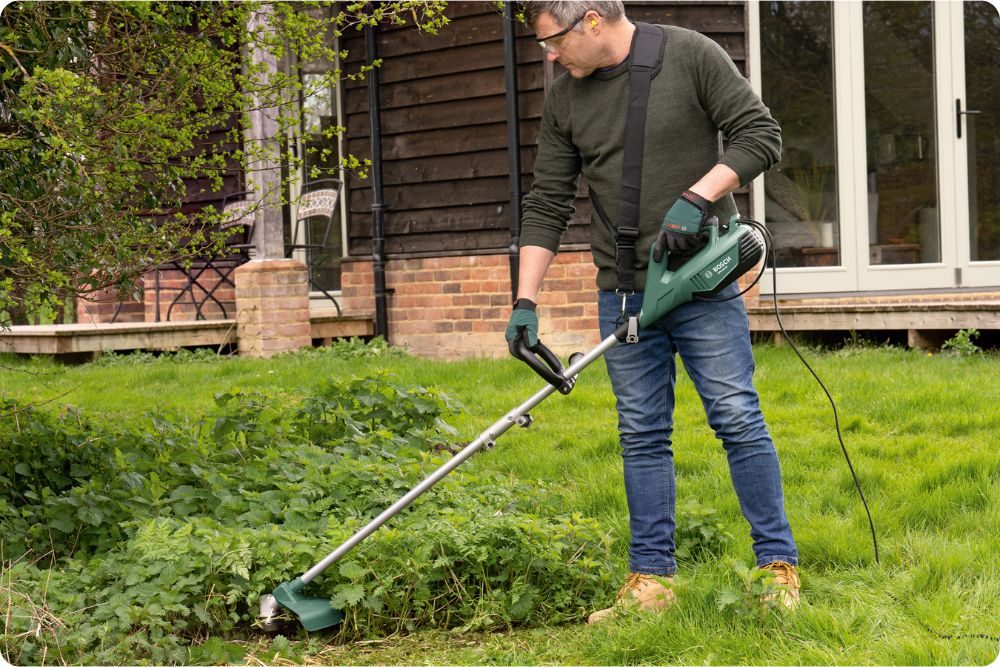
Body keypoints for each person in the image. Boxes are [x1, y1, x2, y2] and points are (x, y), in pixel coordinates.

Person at [505, 0, 799, 624]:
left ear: (589, 19)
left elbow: (760, 134)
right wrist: (524, 302)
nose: (549, 55)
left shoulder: (689, 55)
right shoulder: (564, 99)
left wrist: (699, 196)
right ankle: (652, 582)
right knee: (641, 433)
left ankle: (777, 568)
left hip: (699, 281)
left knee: (735, 415)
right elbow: (548, 201)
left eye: (551, 42)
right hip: (624, 289)